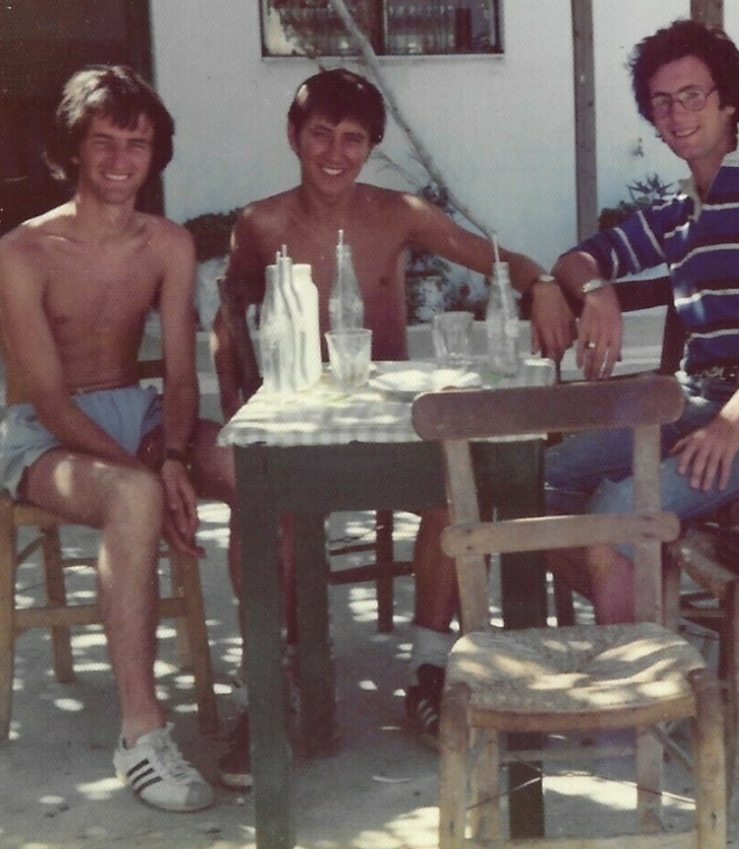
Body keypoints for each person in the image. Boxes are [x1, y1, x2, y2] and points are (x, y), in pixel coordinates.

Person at [210, 68, 573, 780]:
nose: (335, 153)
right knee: (260, 512)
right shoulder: (258, 223)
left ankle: (431, 666)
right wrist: (238, 412)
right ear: (294, 136)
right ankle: (272, 681)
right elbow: (230, 321)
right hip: (304, 426)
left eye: (353, 138)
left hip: (388, 419)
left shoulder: (399, 212)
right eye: (320, 133)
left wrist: (546, 284)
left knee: (454, 483)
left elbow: (496, 258)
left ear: (372, 145)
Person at [0, 65, 238, 812]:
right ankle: (141, 733)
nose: (119, 160)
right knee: (135, 497)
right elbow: (47, 398)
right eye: (103, 142)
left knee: (248, 462)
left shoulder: (167, 243)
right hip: (44, 434)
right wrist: (150, 471)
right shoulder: (21, 251)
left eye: (136, 143)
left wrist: (170, 452)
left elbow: (178, 376)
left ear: (154, 153)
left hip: (139, 417)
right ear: (74, 150)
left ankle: (285, 684)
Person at [542, 18, 739, 623]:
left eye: (692, 95)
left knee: (619, 510)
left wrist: (734, 421)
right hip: (690, 403)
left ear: (730, 101)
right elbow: (579, 260)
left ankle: (632, 705)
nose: (676, 114)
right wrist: (596, 291)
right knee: (548, 480)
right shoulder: (675, 213)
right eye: (661, 102)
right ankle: (653, 629)